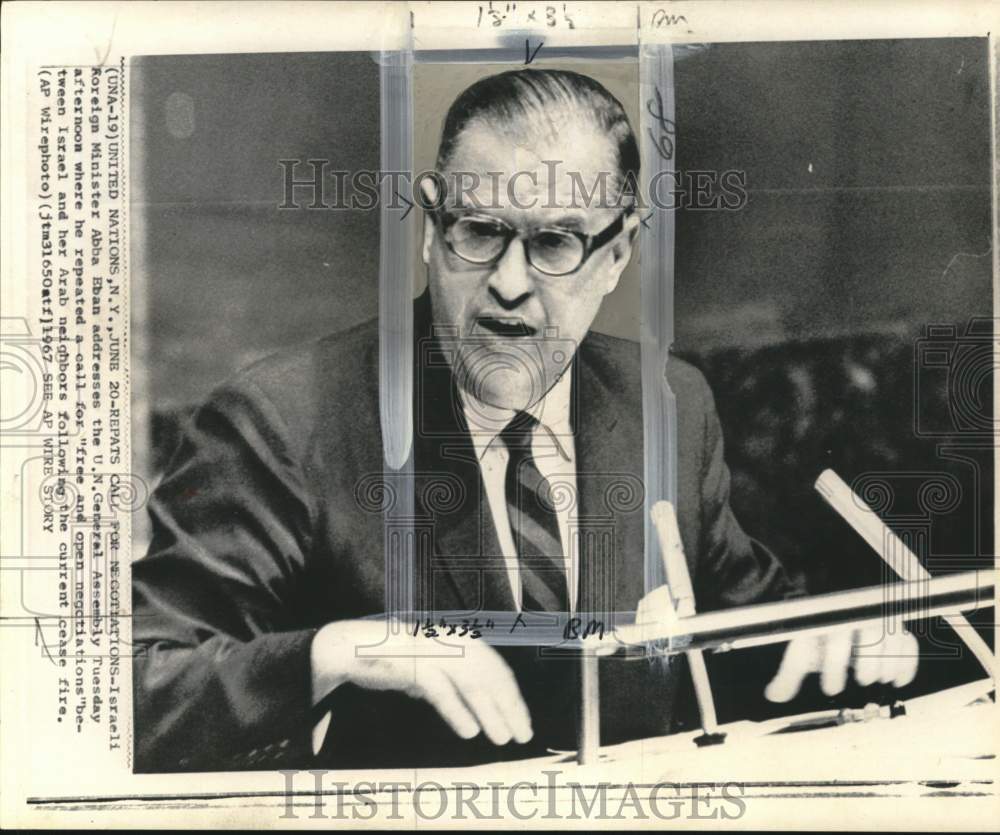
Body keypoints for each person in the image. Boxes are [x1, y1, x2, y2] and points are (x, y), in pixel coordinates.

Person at [132, 68, 917, 773]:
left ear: (617, 255)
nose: (510, 283)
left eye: (556, 244)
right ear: (432, 231)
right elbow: (135, 690)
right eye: (480, 232)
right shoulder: (282, 420)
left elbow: (740, 642)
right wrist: (330, 652)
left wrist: (822, 650)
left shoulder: (666, 400)